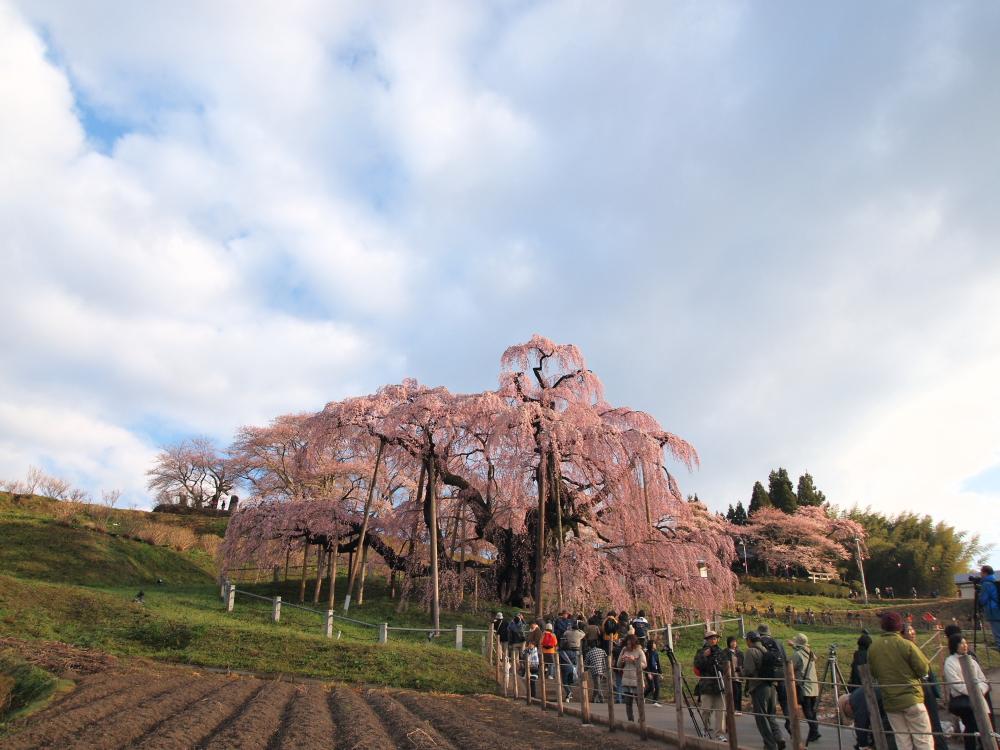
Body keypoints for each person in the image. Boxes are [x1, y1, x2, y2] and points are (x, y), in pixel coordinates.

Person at [867, 612, 933, 750]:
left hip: (891, 701)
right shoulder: (906, 644)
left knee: (902, 740)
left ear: (882, 627)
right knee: (922, 739)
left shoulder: (873, 648)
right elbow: (923, 668)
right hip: (912, 698)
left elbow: (873, 673)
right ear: (899, 627)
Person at [943, 634, 992, 750]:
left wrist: (980, 689)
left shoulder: (971, 660)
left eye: (965, 643)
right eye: (961, 643)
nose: (965, 646)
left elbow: (982, 679)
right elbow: (956, 684)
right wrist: (974, 691)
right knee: (971, 726)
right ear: (955, 645)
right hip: (964, 701)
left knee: (984, 726)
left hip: (979, 697)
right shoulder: (950, 662)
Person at [902, 624, 946, 750]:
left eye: (912, 630)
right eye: (909, 631)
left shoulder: (915, 649)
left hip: (925, 689)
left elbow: (927, 671)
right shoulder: (907, 650)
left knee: (932, 725)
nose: (912, 633)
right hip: (917, 691)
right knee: (927, 726)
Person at [743, 631, 785, 750]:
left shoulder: (751, 651)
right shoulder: (766, 650)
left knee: (761, 718)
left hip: (759, 687)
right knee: (771, 715)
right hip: (771, 685)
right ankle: (779, 737)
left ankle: (770, 745)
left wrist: (740, 671)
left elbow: (749, 671)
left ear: (749, 640)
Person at [695, 630, 727, 741]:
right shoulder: (701, 651)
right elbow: (697, 666)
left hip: (719, 685)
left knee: (721, 711)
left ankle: (720, 733)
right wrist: (704, 656)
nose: (713, 640)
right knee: (706, 710)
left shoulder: (721, 652)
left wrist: (720, 667)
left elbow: (725, 667)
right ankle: (704, 729)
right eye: (711, 638)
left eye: (715, 638)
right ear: (707, 640)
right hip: (706, 685)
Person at [789, 633, 821, 744]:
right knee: (812, 711)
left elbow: (790, 668)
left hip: (804, 687)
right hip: (814, 685)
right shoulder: (810, 653)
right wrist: (794, 646)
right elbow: (804, 650)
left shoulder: (797, 654)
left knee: (807, 711)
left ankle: (814, 730)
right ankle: (813, 732)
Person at [758, 623, 791, 725]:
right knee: (784, 700)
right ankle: (789, 719)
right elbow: (785, 659)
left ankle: (772, 723)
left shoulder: (760, 643)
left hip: (768, 677)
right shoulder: (778, 642)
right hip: (781, 675)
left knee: (770, 701)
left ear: (759, 633)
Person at [617, 633, 647, 722]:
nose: (628, 645)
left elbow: (644, 665)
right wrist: (622, 660)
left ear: (634, 643)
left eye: (630, 644)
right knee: (628, 703)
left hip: (637, 680)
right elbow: (618, 665)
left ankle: (641, 719)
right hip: (626, 679)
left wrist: (634, 660)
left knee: (639, 702)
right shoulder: (624, 650)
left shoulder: (639, 651)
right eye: (627, 644)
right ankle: (630, 720)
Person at [978, 565, 1000, 649]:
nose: (980, 574)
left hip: (993, 611)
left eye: (981, 572)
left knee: (997, 634)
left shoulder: (986, 584)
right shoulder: (994, 581)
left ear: (985, 573)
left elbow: (983, 600)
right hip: (998, 609)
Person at [645, 637, 663, 706]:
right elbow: (646, 664)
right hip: (649, 671)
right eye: (654, 643)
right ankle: (642, 697)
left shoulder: (656, 653)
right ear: (651, 645)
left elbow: (658, 663)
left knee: (657, 686)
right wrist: (648, 673)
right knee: (651, 687)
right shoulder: (647, 653)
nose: (655, 645)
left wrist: (660, 673)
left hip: (655, 671)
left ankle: (655, 701)